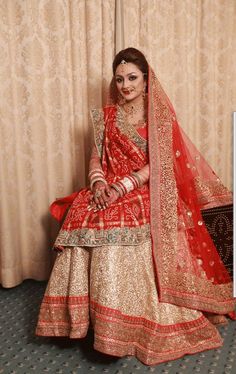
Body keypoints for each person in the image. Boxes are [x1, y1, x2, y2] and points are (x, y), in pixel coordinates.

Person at [36, 47, 235, 366]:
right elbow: (95, 157)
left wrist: (121, 187)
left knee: (118, 219)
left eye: (132, 78)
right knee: (83, 210)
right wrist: (99, 183)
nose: (125, 85)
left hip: (144, 190)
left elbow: (158, 165)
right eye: (119, 79)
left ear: (146, 80)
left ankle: (121, 326)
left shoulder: (159, 117)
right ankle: (83, 323)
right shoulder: (106, 116)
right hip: (107, 185)